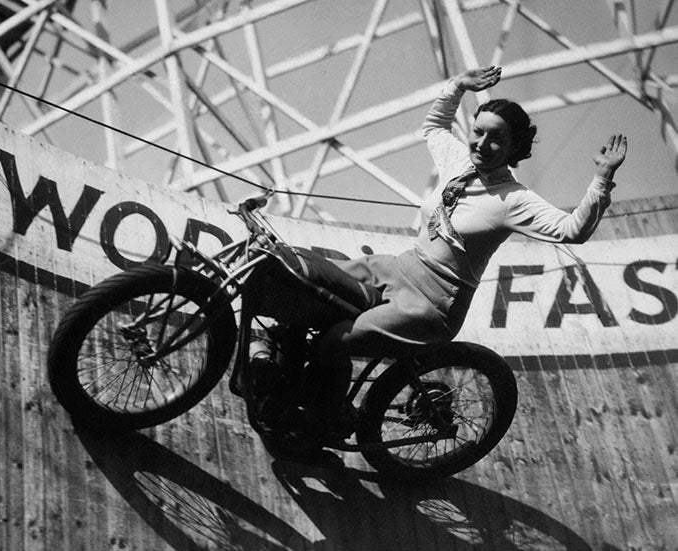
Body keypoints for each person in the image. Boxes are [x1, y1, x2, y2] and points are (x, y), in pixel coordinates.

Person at [261, 65, 628, 464]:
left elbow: (572, 230)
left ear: (514, 147)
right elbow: (435, 126)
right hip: (399, 267)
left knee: (335, 341)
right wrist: (457, 88)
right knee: (301, 279)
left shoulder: (514, 199)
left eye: (497, 138)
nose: (483, 143)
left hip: (431, 304)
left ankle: (314, 435)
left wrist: (602, 180)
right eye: (478, 131)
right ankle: (274, 374)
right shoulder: (458, 160)